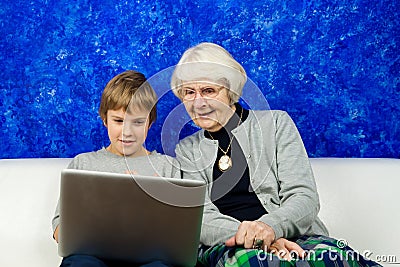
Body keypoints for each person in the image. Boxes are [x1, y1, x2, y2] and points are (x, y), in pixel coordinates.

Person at [171, 42, 380, 266]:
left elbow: (304, 197)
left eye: (209, 91)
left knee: (331, 259)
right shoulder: (187, 149)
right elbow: (200, 217)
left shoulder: (277, 123)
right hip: (230, 243)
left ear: (230, 91)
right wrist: (256, 238)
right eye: (189, 93)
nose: (198, 103)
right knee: (254, 263)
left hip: (296, 237)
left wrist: (271, 228)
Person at [52, 70, 180, 267]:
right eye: (118, 121)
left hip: (148, 259)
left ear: (150, 124)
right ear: (105, 119)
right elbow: (59, 228)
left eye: (137, 122)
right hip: (92, 257)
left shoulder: (167, 167)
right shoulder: (84, 164)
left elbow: (178, 233)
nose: (127, 132)